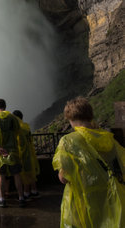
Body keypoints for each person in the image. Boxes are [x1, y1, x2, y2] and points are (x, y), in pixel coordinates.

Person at [52, 97, 125, 228]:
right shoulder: (108, 138)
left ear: (70, 118)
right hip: (110, 195)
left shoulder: (68, 141)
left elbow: (63, 178)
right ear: (90, 115)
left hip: (84, 197)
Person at [0, 99, 25, 207]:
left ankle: (2, 199)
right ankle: (21, 198)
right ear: (5, 106)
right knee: (16, 174)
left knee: (1, 176)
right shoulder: (13, 118)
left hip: (0, 153)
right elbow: (18, 132)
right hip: (13, 151)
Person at [12, 110, 39, 198]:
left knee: (25, 172)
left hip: (23, 153)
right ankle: (34, 190)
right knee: (31, 171)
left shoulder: (19, 128)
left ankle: (26, 191)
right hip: (30, 152)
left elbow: (19, 142)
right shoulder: (26, 126)